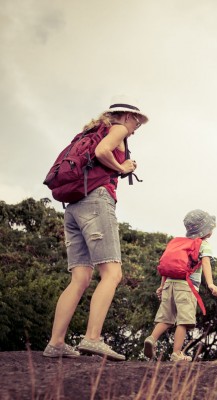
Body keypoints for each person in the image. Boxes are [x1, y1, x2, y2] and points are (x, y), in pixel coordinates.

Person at [42, 96, 148, 361]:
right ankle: (92, 338)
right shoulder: (118, 129)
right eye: (137, 121)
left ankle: (56, 343)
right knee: (112, 273)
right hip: (96, 201)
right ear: (125, 116)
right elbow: (102, 152)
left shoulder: (87, 132)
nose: (136, 128)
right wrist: (122, 167)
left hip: (74, 204)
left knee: (80, 278)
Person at [143, 209, 217, 362]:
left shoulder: (177, 243)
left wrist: (161, 286)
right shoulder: (203, 244)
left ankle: (152, 338)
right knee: (184, 320)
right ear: (206, 230)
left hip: (169, 283)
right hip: (186, 287)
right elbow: (206, 263)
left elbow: (167, 266)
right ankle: (177, 353)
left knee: (166, 318)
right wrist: (211, 284)